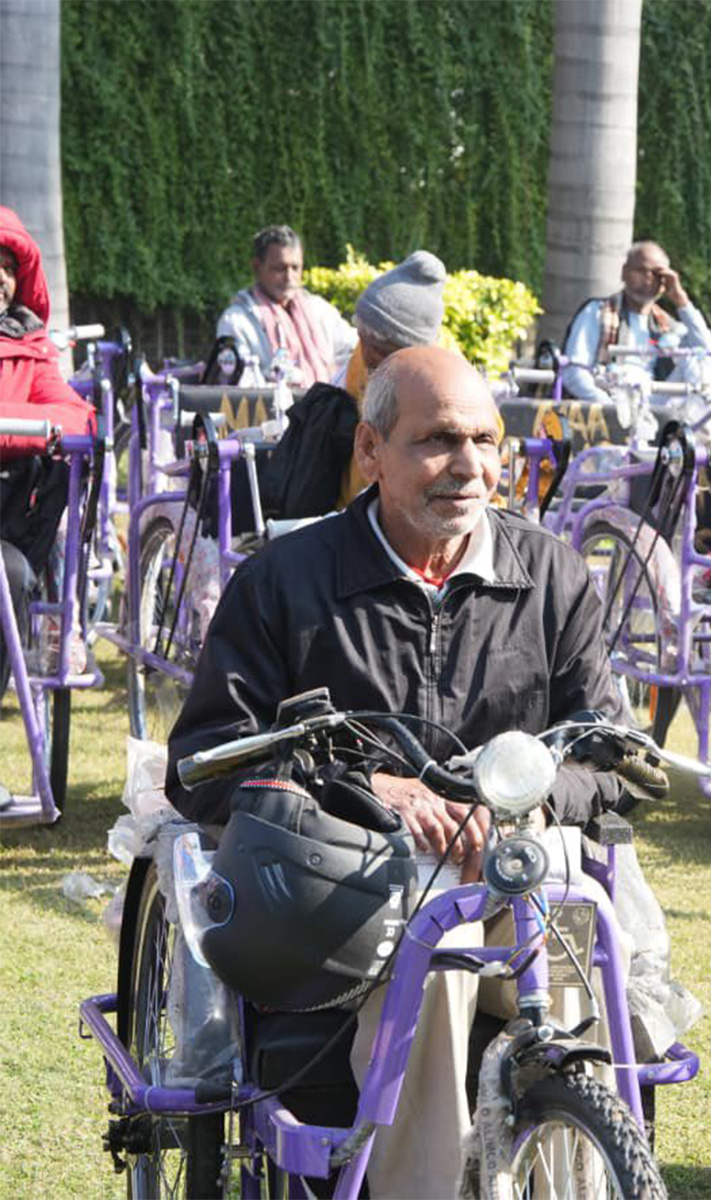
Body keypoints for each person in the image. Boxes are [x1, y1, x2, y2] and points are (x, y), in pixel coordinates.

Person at [166, 345, 629, 1198]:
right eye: (439, 441)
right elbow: (205, 762)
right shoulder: (284, 582)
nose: (470, 466)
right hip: (344, 887)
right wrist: (366, 789)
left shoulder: (555, 577)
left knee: (564, 901)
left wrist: (522, 802)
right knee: (439, 930)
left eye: (486, 441)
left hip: (518, 874)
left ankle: (578, 1171)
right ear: (370, 451)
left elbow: (607, 753)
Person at [0, 206, 96, 699]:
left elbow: (74, 416)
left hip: (9, 518)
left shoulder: (32, 351)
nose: (0, 278)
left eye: (8, 267)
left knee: (11, 574)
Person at [333, 249, 449, 506]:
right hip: (354, 510)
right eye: (362, 337)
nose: (367, 355)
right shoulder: (360, 359)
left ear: (414, 351)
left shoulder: (446, 384)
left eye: (380, 349)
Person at [559, 240, 711, 402]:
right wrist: (610, 409)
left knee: (696, 364)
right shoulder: (597, 311)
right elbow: (574, 371)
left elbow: (708, 356)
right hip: (606, 403)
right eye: (641, 270)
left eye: (656, 274)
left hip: (656, 408)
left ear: (664, 283)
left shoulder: (670, 326)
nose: (648, 278)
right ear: (624, 273)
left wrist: (682, 302)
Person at [216, 224, 357, 386]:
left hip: (328, 408)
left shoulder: (320, 311)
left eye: (295, 268)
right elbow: (237, 383)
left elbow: (353, 351)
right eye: (279, 269)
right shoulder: (236, 321)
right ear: (256, 267)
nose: (289, 277)